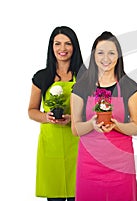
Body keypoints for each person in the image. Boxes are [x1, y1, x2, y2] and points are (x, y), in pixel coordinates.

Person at [71, 31, 137, 201]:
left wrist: (116, 125)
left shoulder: (129, 86)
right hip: (89, 165)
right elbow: (75, 128)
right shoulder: (81, 87)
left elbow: (135, 127)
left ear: (118, 56)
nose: (106, 58)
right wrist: (92, 125)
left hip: (121, 165)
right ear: (93, 55)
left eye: (111, 53)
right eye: (100, 52)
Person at [28, 26, 84, 201]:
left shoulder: (85, 76)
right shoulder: (42, 77)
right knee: (55, 197)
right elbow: (31, 111)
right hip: (51, 146)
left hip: (78, 145)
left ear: (74, 47)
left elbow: (92, 111)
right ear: (51, 47)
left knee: (79, 194)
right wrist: (47, 117)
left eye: (68, 44)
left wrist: (73, 118)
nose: (62, 49)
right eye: (57, 43)